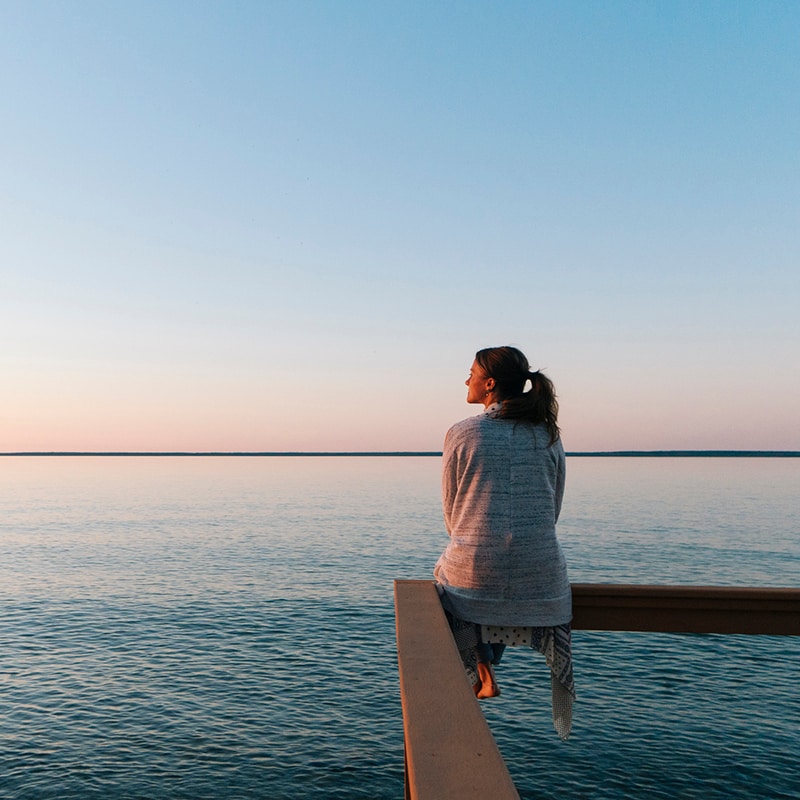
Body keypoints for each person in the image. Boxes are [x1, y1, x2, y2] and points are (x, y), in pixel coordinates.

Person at [434, 346, 575, 738]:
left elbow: (452, 513)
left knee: (454, 579)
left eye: (471, 373)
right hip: (543, 575)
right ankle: (489, 664)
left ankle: (483, 667)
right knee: (491, 582)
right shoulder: (548, 434)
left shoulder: (462, 432)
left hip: (476, 572)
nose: (466, 380)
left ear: (489, 385)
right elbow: (554, 505)